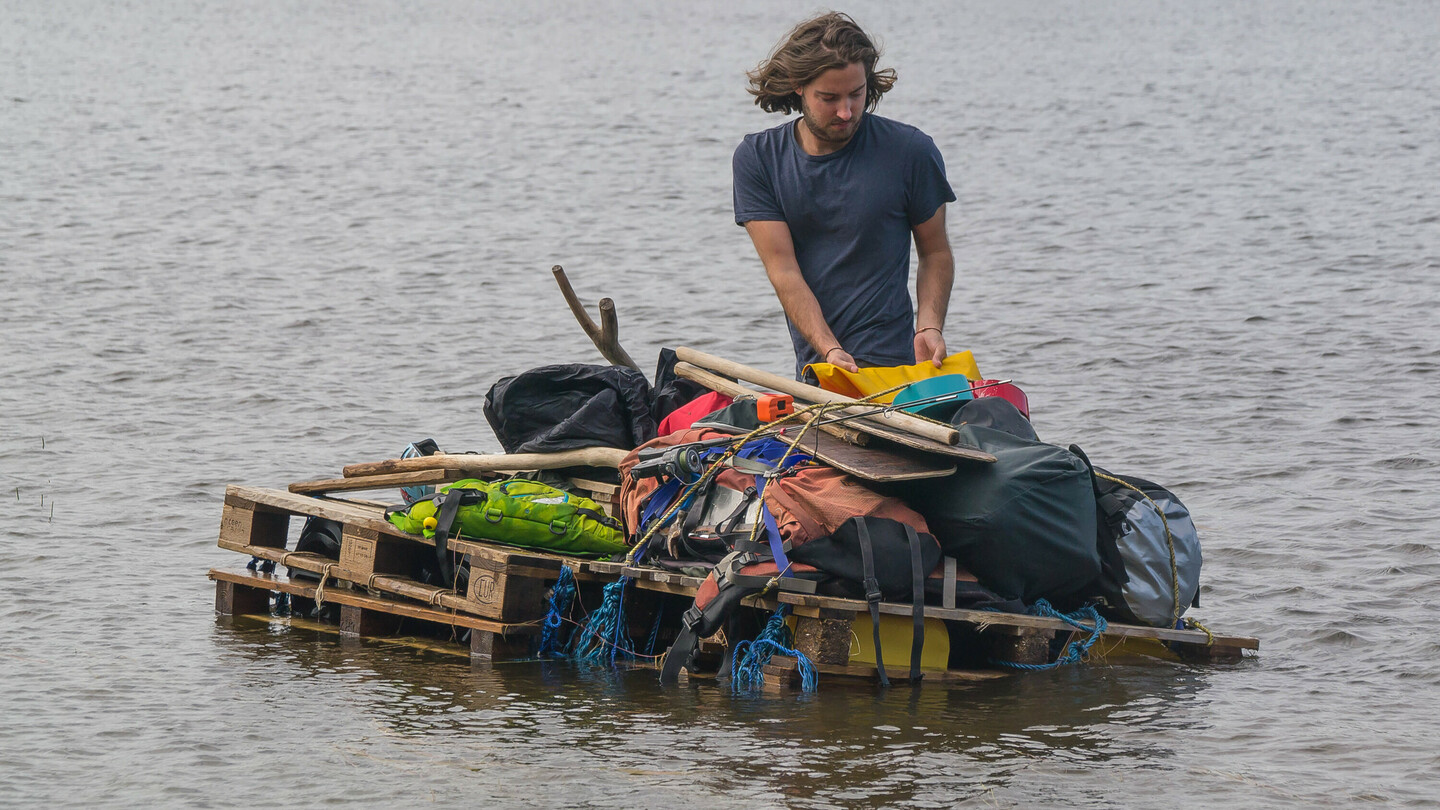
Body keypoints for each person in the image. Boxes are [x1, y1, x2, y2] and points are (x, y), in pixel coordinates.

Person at [733, 12, 956, 380]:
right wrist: (829, 348)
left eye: (857, 93)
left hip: (898, 369)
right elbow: (783, 271)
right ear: (798, 85)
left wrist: (929, 326)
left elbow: (935, 252)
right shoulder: (758, 160)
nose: (846, 111)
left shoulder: (911, 151)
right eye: (829, 97)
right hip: (821, 371)